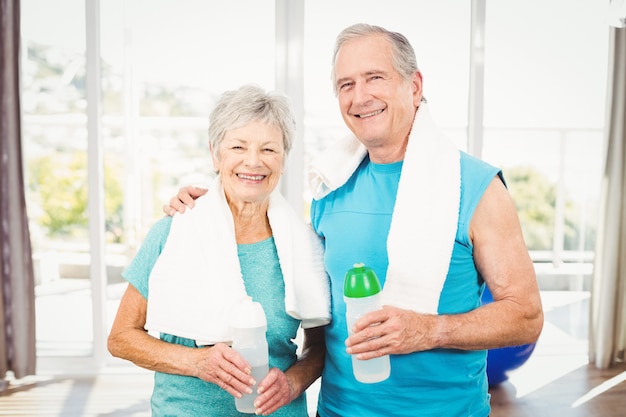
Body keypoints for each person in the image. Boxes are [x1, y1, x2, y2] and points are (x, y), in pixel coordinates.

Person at [164, 23, 544, 417]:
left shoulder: (477, 187)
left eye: (374, 78)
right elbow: (316, 314)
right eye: (345, 85)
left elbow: (526, 316)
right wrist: (213, 205)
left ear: (414, 86)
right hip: (339, 411)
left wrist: (429, 330)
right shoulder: (331, 187)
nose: (360, 97)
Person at [108, 84, 331, 417]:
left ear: (284, 158)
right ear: (216, 154)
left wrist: (293, 383)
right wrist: (197, 362)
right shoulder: (175, 230)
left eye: (269, 149)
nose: (253, 162)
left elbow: (318, 347)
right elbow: (121, 338)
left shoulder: (306, 245)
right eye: (238, 146)